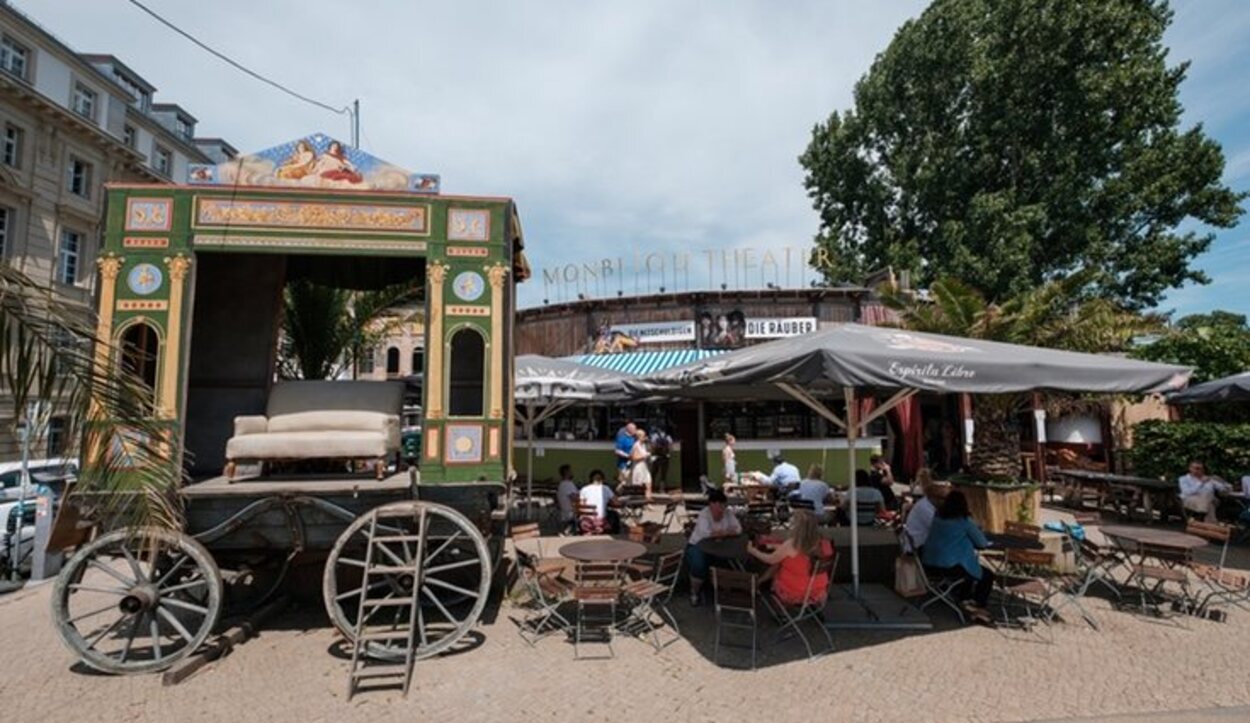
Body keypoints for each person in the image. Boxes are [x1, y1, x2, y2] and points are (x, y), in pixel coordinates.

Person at [921, 490, 994, 623]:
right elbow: (982, 543)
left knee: (969, 567)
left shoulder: (937, 519)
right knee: (987, 575)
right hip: (951, 567)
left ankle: (964, 598)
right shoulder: (964, 522)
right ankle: (977, 607)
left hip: (929, 565)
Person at [748, 510, 834, 606]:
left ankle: (756, 584)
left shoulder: (792, 544)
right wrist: (779, 548)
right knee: (784, 562)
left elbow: (770, 559)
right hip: (819, 591)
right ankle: (758, 582)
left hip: (794, 592)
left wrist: (752, 551)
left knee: (778, 564)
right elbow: (804, 554)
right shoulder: (825, 543)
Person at [685, 489, 742, 606]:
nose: (722, 509)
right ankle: (694, 593)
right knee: (698, 565)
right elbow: (706, 534)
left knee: (731, 559)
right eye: (719, 505)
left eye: (723, 505)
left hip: (718, 545)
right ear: (711, 505)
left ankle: (725, 590)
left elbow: (738, 529)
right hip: (698, 545)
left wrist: (721, 533)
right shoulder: (704, 514)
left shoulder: (728, 513)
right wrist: (727, 532)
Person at [902, 469, 950, 553]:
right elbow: (941, 529)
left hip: (922, 544)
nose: (944, 502)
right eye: (942, 499)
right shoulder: (924, 508)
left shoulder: (928, 504)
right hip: (917, 549)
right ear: (934, 497)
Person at [578, 469, 620, 534]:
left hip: (586, 522)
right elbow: (616, 502)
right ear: (602, 479)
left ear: (590, 479)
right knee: (613, 514)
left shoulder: (584, 489)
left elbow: (582, 506)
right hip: (601, 522)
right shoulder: (605, 488)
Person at [629, 428, 653, 500]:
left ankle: (648, 501)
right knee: (638, 486)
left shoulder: (644, 445)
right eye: (644, 436)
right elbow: (634, 457)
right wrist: (645, 456)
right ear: (639, 437)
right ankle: (638, 502)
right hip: (638, 467)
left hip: (645, 467)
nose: (645, 437)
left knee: (648, 483)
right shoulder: (636, 445)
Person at [555, 464, 580, 533]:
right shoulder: (567, 484)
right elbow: (574, 498)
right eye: (571, 471)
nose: (572, 472)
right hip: (571, 513)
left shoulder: (563, 484)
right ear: (567, 472)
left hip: (565, 512)